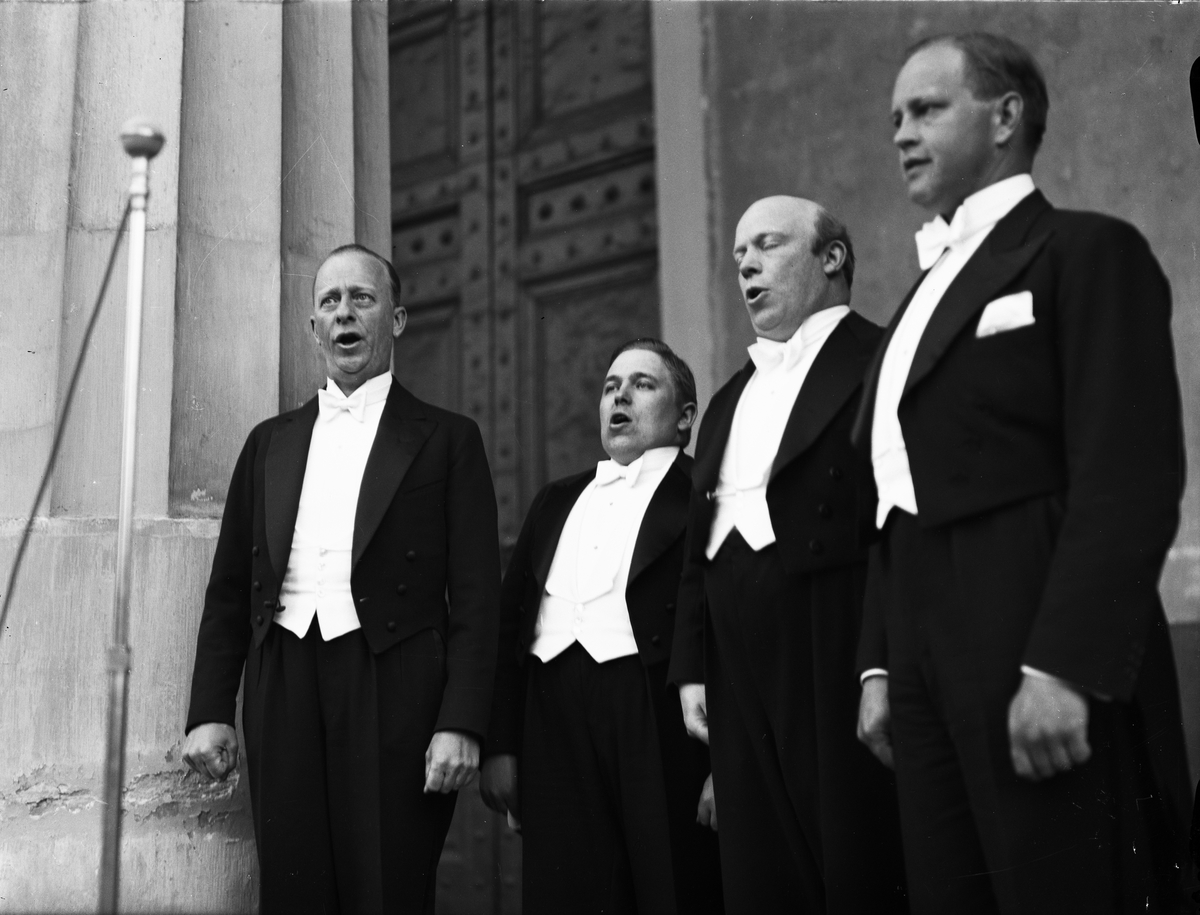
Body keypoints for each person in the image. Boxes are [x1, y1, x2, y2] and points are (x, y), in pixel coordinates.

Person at [853, 32, 1193, 914]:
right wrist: (879, 666)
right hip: (921, 652)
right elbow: (893, 494)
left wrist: (1063, 667)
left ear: (1006, 117)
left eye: (926, 109)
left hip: (1032, 630)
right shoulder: (915, 299)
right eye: (895, 118)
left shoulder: (1087, 251)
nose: (902, 133)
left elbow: (1128, 472)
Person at [182, 243, 501, 914]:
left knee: (386, 888)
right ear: (313, 328)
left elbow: (477, 598)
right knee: (293, 889)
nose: (344, 313)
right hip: (282, 680)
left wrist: (463, 721)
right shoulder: (267, 442)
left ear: (397, 319)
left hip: (395, 683)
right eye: (329, 301)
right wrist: (210, 710)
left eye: (362, 298)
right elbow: (229, 590)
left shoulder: (448, 439)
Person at [670, 196, 907, 913]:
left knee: (856, 857)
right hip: (734, 660)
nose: (746, 265)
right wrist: (691, 666)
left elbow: (900, 521)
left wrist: (881, 659)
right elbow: (699, 544)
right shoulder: (727, 399)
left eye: (767, 245)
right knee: (761, 869)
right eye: (738, 254)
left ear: (831, 257)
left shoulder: (884, 357)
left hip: (834, 636)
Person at [480, 338, 723, 915]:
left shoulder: (706, 495)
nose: (620, 397)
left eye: (642, 384)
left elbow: (727, 632)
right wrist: (501, 745)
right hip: (552, 723)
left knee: (671, 889)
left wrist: (726, 765)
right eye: (611, 387)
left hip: (656, 723)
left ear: (685, 416)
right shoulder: (554, 500)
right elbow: (507, 627)